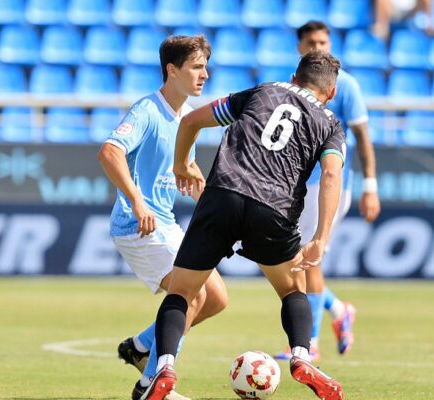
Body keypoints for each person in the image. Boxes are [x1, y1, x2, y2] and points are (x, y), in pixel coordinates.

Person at [139, 50, 348, 400]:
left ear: (294, 78)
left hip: (223, 194)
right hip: (274, 209)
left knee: (181, 293)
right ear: (332, 92)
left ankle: (164, 367)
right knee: (293, 291)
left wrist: (181, 165)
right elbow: (331, 174)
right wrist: (320, 238)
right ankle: (300, 355)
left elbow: (191, 122)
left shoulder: (262, 91)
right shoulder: (330, 124)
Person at [97, 35, 228, 400]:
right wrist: (136, 200)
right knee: (194, 295)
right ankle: (151, 385)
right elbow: (109, 152)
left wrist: (190, 171)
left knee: (217, 298)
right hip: (138, 224)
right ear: (172, 70)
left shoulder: (185, 116)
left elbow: (180, 164)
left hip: (165, 222)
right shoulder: (147, 111)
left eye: (205, 66)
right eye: (196, 67)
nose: (204, 74)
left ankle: (141, 347)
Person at [273, 21, 381, 362]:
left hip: (330, 185)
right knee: (296, 262)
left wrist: (371, 187)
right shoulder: (293, 84)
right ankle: (338, 310)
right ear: (300, 47)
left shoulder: (345, 84)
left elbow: (363, 139)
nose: (318, 47)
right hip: (297, 185)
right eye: (311, 42)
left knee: (305, 260)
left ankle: (310, 343)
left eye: (323, 41)